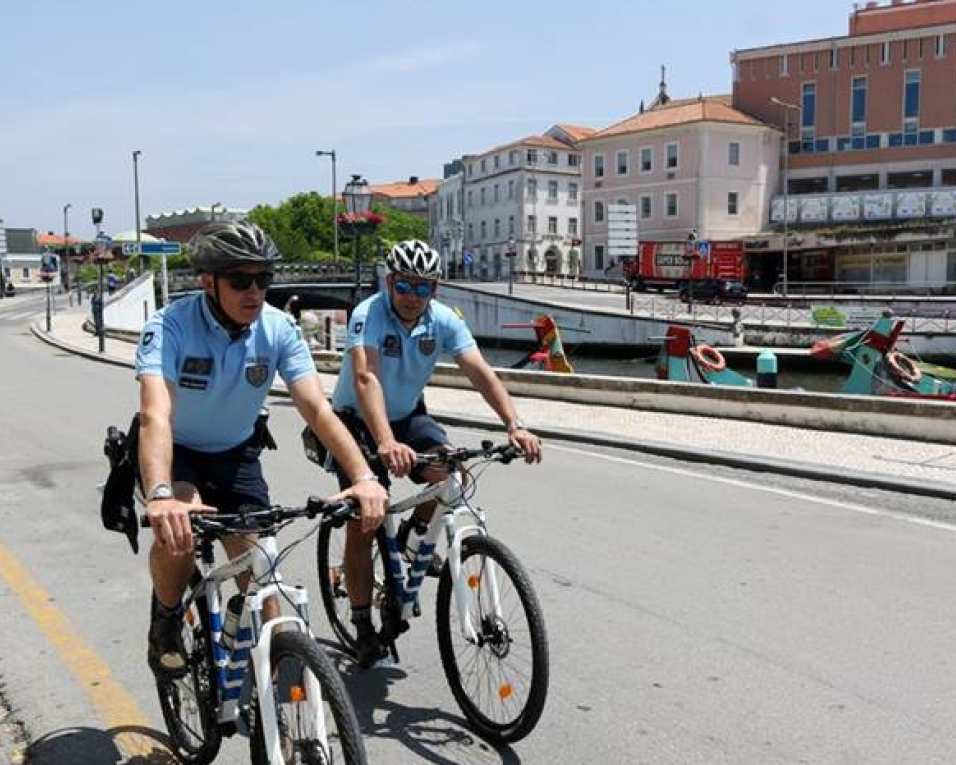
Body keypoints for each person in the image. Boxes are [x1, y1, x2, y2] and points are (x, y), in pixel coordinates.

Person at [135, 221, 387, 680]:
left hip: (236, 455)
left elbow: (317, 408)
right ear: (209, 282)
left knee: (263, 578)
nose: (255, 291)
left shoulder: (278, 328)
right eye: (240, 280)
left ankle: (285, 716)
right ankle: (166, 617)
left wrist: (363, 477)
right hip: (180, 453)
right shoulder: (169, 326)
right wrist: (159, 494)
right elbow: (156, 415)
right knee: (181, 534)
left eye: (263, 279)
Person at [327, 238, 542, 667]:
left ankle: (411, 540)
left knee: (453, 474)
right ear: (390, 282)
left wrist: (514, 424)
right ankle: (362, 621)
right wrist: (385, 442)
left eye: (423, 288)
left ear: (436, 290)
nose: (413, 297)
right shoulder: (368, 314)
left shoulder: (443, 320)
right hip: (357, 419)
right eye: (405, 286)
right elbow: (366, 377)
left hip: (407, 414)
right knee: (368, 516)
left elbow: (480, 372)